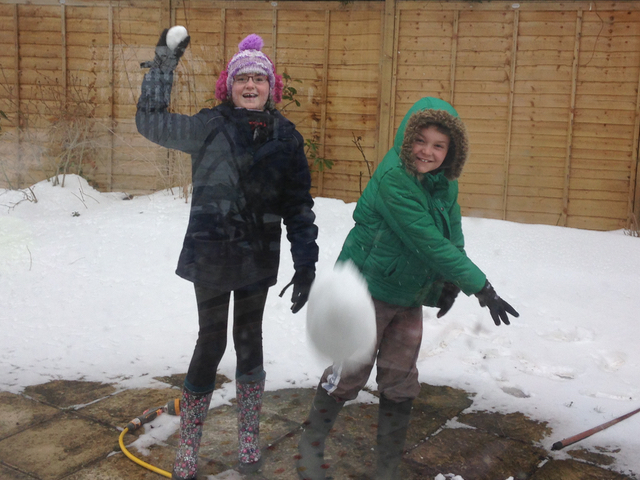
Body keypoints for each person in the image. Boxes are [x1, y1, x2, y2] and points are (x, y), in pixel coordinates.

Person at [296, 97, 519, 480]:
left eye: (439, 145)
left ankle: (386, 469)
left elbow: (452, 238)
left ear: (451, 151)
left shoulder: (444, 184)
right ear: (407, 138)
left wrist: (449, 283)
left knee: (400, 379)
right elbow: (428, 242)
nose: (427, 152)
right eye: (421, 140)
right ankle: (308, 452)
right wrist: (481, 287)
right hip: (365, 291)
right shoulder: (394, 180)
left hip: (408, 293)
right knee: (349, 373)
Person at [136, 30, 319, 479]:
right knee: (211, 342)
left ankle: (249, 440)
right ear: (229, 86)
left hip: (258, 256)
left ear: (270, 87)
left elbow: (298, 206)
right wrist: (163, 66)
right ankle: (188, 448)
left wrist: (306, 263)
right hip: (213, 254)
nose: (250, 85)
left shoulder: (286, 137)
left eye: (259, 78)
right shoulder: (208, 126)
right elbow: (151, 121)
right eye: (242, 78)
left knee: (250, 340)